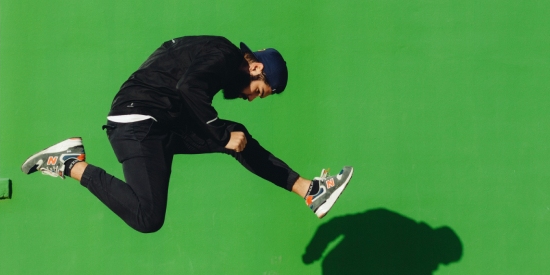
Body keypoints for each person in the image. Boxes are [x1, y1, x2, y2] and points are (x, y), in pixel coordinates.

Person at [22, 36, 353, 233]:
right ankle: (69, 163)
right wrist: (219, 135)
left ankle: (310, 191)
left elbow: (173, 72)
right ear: (255, 68)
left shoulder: (216, 56)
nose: (251, 98)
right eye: (258, 91)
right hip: (137, 123)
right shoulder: (223, 54)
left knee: (238, 137)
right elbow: (188, 87)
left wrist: (224, 134)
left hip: (160, 121)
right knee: (147, 217)